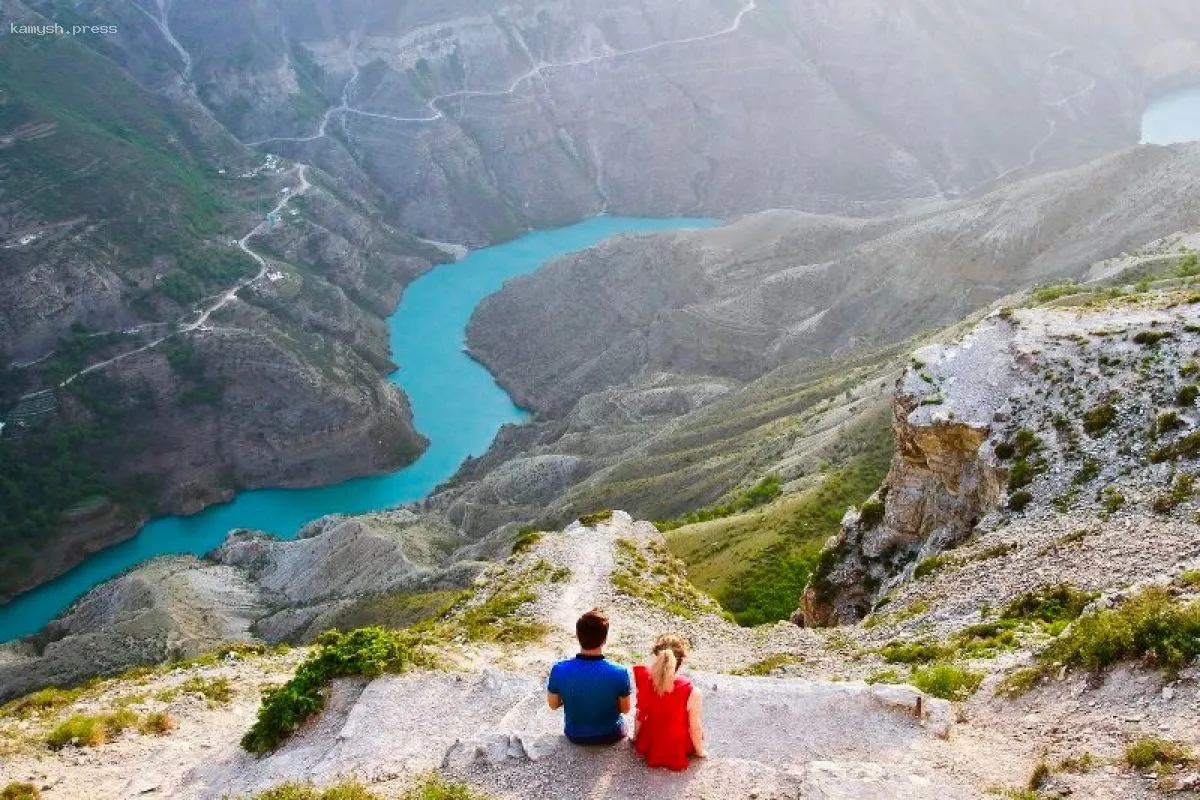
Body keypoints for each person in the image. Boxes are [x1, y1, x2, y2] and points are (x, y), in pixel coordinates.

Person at [546, 608, 632, 745]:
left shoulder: (559, 669)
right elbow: (625, 709)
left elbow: (553, 705)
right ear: (604, 640)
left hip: (575, 735)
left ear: (578, 636)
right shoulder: (620, 671)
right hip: (611, 734)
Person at [632, 634, 708, 770]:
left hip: (651, 740)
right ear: (681, 660)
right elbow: (694, 728)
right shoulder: (691, 691)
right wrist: (700, 751)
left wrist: (636, 737)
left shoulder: (645, 680)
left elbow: (640, 713)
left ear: (657, 656)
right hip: (676, 746)